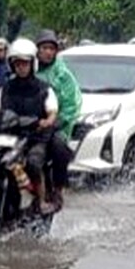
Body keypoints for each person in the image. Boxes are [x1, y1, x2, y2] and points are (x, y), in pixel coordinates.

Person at [0, 38, 60, 214]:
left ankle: (40, 200)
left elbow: (52, 112)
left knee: (33, 163)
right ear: (12, 65)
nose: (21, 67)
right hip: (10, 136)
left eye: (25, 63)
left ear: (32, 64)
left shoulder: (44, 89)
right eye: (17, 63)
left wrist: (47, 121)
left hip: (35, 137)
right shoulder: (6, 88)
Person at [34, 29, 81, 193]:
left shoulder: (63, 75)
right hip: (29, 121)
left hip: (56, 124)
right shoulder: (28, 70)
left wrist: (56, 122)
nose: (47, 52)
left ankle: (57, 188)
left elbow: (71, 105)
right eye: (44, 48)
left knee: (58, 147)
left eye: (51, 49)